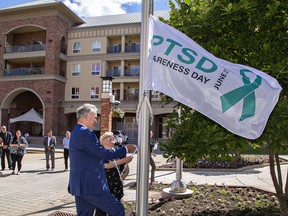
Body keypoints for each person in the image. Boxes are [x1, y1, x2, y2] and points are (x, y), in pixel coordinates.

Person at [68, 103, 136, 216]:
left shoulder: (76, 132)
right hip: (90, 185)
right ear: (86, 117)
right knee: (117, 209)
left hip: (80, 185)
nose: (95, 120)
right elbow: (103, 154)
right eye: (94, 117)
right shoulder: (85, 133)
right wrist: (125, 149)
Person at [95, 132, 133, 216]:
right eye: (108, 136)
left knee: (115, 209)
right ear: (102, 140)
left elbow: (126, 168)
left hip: (116, 186)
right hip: (104, 186)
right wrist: (123, 161)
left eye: (112, 136)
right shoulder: (100, 151)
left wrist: (122, 177)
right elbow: (105, 166)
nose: (111, 138)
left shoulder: (117, 151)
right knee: (101, 211)